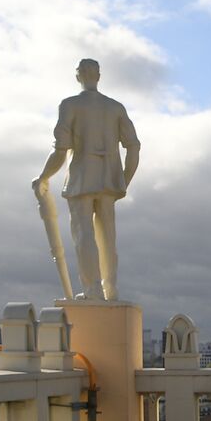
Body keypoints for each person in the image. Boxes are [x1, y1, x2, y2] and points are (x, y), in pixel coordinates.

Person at [33, 59, 140, 301]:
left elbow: (60, 149)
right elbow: (133, 147)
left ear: (78, 76)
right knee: (108, 236)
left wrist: (44, 177)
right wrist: (123, 180)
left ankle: (93, 289)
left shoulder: (70, 105)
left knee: (84, 234)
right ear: (98, 76)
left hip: (82, 177)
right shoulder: (116, 108)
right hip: (109, 181)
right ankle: (110, 288)